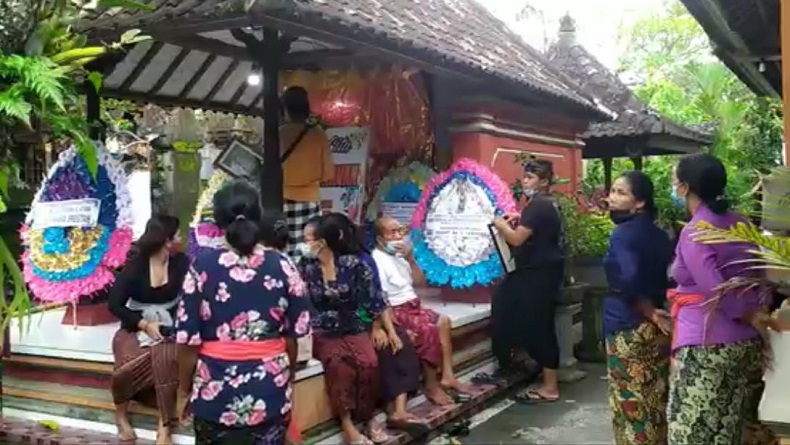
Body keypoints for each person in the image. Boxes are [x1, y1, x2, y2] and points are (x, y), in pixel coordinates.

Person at [174, 181, 311, 444]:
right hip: (270, 387)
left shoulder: (202, 266)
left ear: (217, 220)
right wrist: (286, 377)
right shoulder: (283, 265)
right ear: (258, 215)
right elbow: (294, 336)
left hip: (214, 390)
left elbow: (187, 342)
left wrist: (183, 391)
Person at [667, 153, 777, 445]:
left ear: (685, 187)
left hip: (707, 343)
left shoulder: (695, 232)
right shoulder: (740, 223)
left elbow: (715, 289)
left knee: (691, 431)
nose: (673, 185)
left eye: (674, 179)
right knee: (728, 428)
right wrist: (758, 314)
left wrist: (747, 313)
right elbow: (761, 276)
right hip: (747, 343)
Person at [297, 213, 404, 444]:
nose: (307, 245)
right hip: (321, 330)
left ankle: (368, 417)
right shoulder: (306, 266)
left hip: (352, 325)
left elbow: (375, 299)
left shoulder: (353, 264)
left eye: (311, 239)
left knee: (369, 363)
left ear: (323, 241)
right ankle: (347, 425)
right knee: (339, 367)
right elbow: (300, 302)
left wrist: (385, 329)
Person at [483, 159, 564, 403]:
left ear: (545, 181)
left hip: (537, 273)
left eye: (530, 178)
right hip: (540, 271)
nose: (525, 182)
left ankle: (550, 387)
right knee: (507, 304)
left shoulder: (538, 206)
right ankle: (516, 359)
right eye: (525, 177)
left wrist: (499, 224)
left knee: (539, 324)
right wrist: (520, 217)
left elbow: (517, 240)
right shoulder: (545, 204)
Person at [603, 171, 672, 445]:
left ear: (640, 202)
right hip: (657, 325)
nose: (612, 198)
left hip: (627, 325)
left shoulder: (622, 234)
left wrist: (645, 309)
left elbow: (628, 279)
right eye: (612, 191)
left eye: (621, 192)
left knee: (629, 403)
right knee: (655, 399)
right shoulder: (660, 234)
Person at [371, 216, 469, 405]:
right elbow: (381, 299)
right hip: (396, 310)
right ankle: (431, 385)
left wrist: (410, 258)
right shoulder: (377, 259)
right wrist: (382, 327)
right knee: (427, 329)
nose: (399, 236)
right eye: (393, 233)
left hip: (413, 305)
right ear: (380, 239)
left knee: (443, 321)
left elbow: (420, 283)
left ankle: (448, 375)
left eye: (401, 231)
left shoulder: (401, 256)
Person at [109, 214, 189, 445]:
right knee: (125, 368)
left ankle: (164, 426)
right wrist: (144, 325)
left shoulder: (182, 263)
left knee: (166, 359)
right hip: (134, 329)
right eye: (177, 234)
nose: (182, 238)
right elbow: (114, 305)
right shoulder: (135, 267)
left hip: (168, 331)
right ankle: (121, 415)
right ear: (166, 240)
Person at [280, 86, 334, 261]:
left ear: (285, 109)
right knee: (309, 248)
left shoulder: (276, 135)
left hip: (281, 199)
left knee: (283, 248)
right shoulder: (318, 135)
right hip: (309, 200)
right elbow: (327, 173)